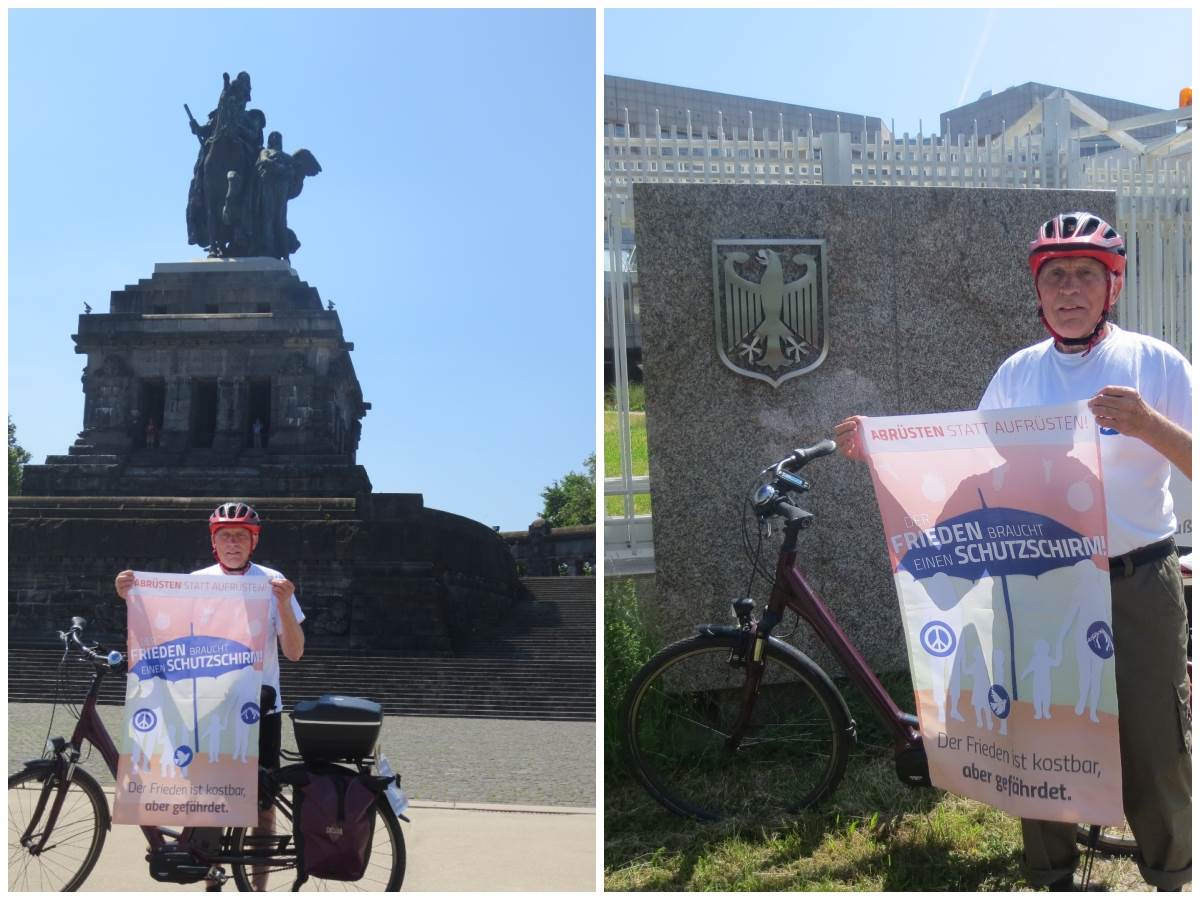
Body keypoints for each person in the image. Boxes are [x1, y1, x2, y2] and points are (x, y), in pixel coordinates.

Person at [834, 212, 1191, 891]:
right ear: (1038, 290)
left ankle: (1171, 874)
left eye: (1088, 274)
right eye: (1055, 276)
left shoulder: (1156, 362)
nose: (1070, 289)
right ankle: (1051, 875)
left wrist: (1146, 423)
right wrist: (879, 449)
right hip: (1041, 585)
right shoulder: (1018, 373)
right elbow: (971, 466)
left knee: (1156, 740)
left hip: (1137, 577)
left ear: (1112, 287)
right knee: (1043, 732)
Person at [116, 501, 305, 890]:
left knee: (262, 807)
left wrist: (284, 605)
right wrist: (131, 599)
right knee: (204, 800)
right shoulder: (194, 583)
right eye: (225, 536)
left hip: (260, 710)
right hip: (208, 711)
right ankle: (211, 880)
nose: (233, 543)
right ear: (213, 543)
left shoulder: (272, 583)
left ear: (253, 543)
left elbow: (295, 650)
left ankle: (259, 888)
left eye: (241, 536)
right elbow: (165, 639)